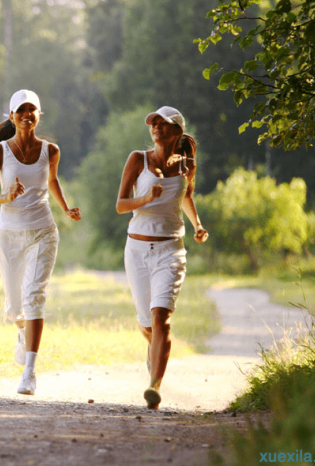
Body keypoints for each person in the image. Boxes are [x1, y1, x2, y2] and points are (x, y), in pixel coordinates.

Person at [0, 89, 81, 395]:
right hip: (9, 234)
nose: (27, 115)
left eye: (33, 110)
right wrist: (8, 196)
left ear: (38, 115)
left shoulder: (50, 151)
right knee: (15, 309)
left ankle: (30, 371)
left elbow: (53, 181)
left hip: (43, 231)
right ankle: (22, 333)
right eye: (21, 110)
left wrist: (66, 208)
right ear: (12, 116)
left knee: (34, 296)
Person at [115, 106, 209, 409]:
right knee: (147, 324)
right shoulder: (137, 160)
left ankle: (154, 386)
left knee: (161, 320)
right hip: (137, 251)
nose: (156, 127)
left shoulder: (186, 165)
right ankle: (155, 351)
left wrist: (198, 224)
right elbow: (120, 205)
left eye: (163, 124)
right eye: (153, 123)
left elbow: (185, 195)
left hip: (171, 249)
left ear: (177, 132)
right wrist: (146, 198)